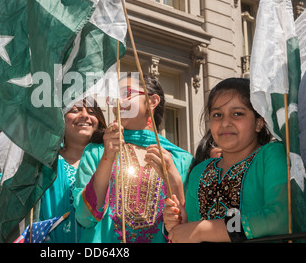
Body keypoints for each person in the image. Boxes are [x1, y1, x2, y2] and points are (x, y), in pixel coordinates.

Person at [163, 77, 289, 242]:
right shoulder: (199, 171)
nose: (225, 122)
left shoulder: (271, 155)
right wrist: (182, 222)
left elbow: (279, 219)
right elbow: (192, 230)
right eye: (217, 115)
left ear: (259, 123)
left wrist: (205, 229)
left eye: (237, 113)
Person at [73, 73, 193, 243]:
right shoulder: (97, 152)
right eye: (114, 96)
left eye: (126, 93)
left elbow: (186, 227)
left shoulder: (181, 160)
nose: (118, 101)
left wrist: (173, 178)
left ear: (152, 101)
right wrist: (108, 158)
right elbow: (84, 217)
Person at [39, 97, 107, 243]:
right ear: (60, 119)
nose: (84, 115)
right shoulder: (44, 163)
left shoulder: (110, 159)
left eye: (91, 112)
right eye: (75, 110)